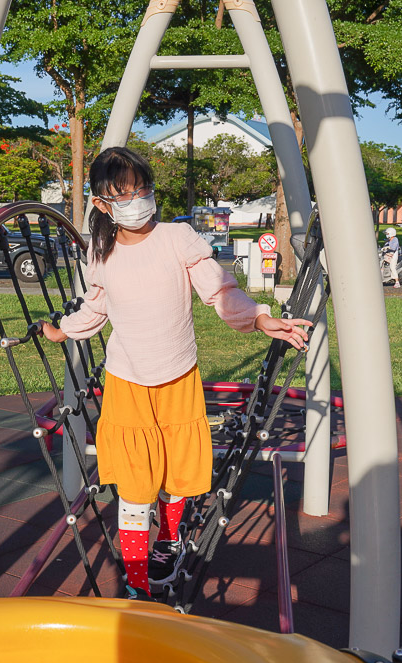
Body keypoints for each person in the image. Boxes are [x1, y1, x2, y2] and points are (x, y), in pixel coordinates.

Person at [39, 147, 311, 600]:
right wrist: (61, 332)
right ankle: (137, 567)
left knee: (176, 469)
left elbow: (220, 290)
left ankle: (166, 542)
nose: (137, 200)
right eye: (124, 194)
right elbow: (96, 306)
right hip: (127, 380)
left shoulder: (176, 238)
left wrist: (260, 317)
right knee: (133, 477)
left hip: (177, 376)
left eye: (143, 189)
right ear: (103, 204)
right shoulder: (101, 253)